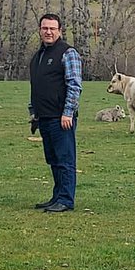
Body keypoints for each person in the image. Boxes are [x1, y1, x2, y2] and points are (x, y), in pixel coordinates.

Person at [28, 13, 82, 212]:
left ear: (60, 30)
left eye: (52, 28)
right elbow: (37, 86)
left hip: (61, 118)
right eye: (45, 28)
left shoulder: (68, 53)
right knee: (53, 159)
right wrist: (34, 112)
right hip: (44, 116)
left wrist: (68, 112)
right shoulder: (38, 56)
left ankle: (66, 199)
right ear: (40, 30)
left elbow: (74, 85)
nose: (48, 32)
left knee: (65, 159)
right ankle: (57, 196)